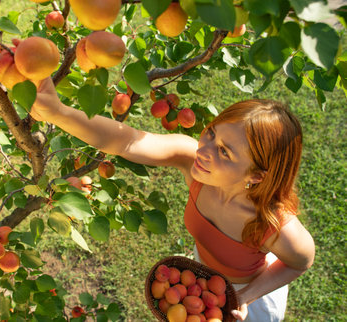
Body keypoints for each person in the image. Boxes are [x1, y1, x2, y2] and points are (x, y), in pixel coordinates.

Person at [30, 77, 315, 321]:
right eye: (211, 133)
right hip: (201, 280)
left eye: (225, 152)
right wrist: (57, 112)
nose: (204, 150)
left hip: (248, 300)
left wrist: (245, 296)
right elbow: (126, 141)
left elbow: (300, 261)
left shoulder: (272, 225)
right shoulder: (193, 163)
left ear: (256, 176)